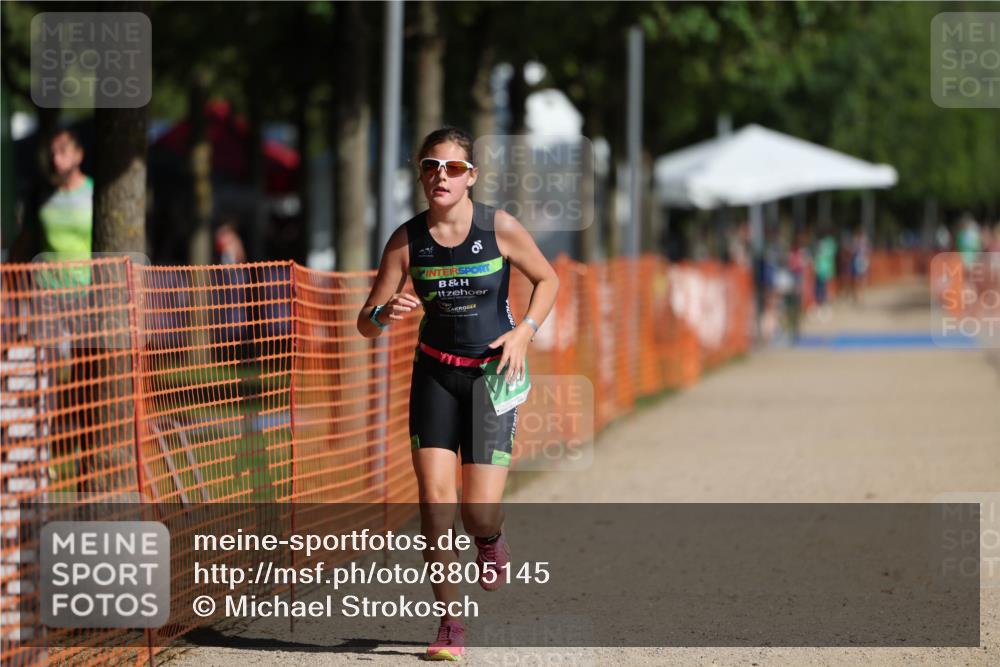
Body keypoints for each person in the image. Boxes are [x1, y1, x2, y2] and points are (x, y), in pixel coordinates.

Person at [356, 126, 559, 661]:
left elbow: (548, 280)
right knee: (434, 504)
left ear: (471, 176)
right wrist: (384, 313)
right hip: (435, 376)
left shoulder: (499, 227)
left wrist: (524, 332)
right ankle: (450, 625)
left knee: (478, 511)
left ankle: (490, 539)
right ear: (420, 174)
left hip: (492, 379)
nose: (439, 176)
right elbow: (365, 322)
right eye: (430, 166)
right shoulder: (406, 240)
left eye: (451, 167)